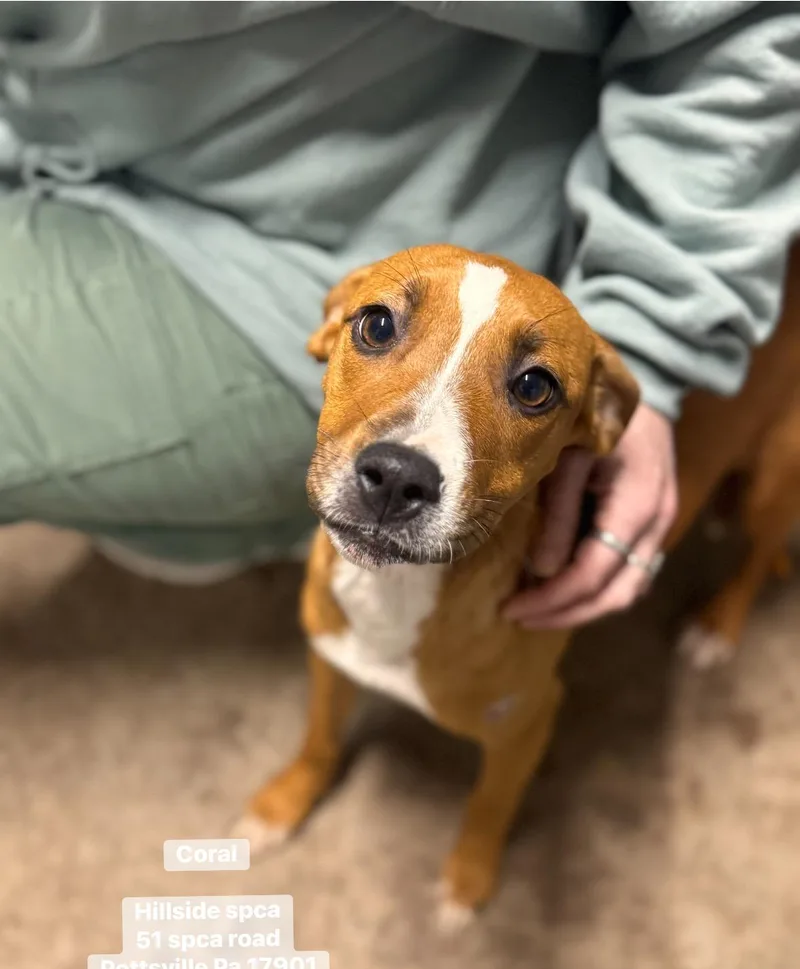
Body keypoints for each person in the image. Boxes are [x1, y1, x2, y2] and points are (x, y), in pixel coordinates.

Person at [0, 2, 798, 627]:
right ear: (334, 328)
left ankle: (238, 509)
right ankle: (214, 516)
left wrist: (651, 332)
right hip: (65, 129)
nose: (400, 458)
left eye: (532, 388)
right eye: (377, 330)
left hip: (326, 236)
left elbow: (751, 26)